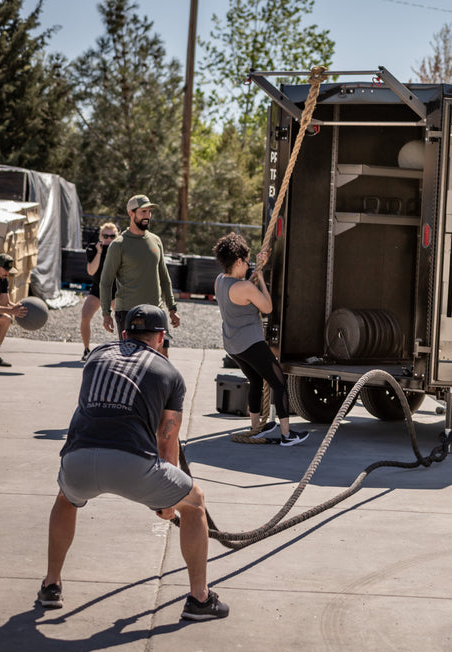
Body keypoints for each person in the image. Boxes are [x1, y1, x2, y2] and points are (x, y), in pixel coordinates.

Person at [38, 304, 228, 620]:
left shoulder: (97, 356)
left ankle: (51, 585)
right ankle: (199, 599)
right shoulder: (169, 372)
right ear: (161, 337)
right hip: (131, 464)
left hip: (78, 458)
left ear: (124, 333)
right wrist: (167, 506)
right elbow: (168, 443)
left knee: (66, 498)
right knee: (195, 503)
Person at [212, 232, 308, 446]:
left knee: (255, 380)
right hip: (251, 343)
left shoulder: (220, 281)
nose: (248, 267)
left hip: (233, 346)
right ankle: (286, 435)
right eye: (246, 262)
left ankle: (255, 428)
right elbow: (267, 307)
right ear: (238, 261)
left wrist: (258, 266)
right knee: (279, 383)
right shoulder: (245, 287)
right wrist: (262, 279)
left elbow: (242, 287)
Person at [100, 194, 179, 357]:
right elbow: (106, 282)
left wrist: (172, 308)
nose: (147, 216)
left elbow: (164, 277)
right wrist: (106, 313)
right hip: (129, 312)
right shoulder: (118, 245)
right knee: (131, 360)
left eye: (149, 212)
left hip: (156, 311)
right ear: (131, 213)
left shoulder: (156, 241)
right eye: (143, 212)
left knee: (162, 357)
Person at [79, 222, 118, 361]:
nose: (108, 238)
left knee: (123, 318)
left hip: (115, 290)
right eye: (105, 235)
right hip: (97, 289)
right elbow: (91, 271)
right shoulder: (93, 248)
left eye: (112, 236)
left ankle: (125, 348)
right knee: (85, 315)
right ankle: (86, 349)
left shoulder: (119, 249)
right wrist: (100, 251)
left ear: (116, 236)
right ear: (100, 236)